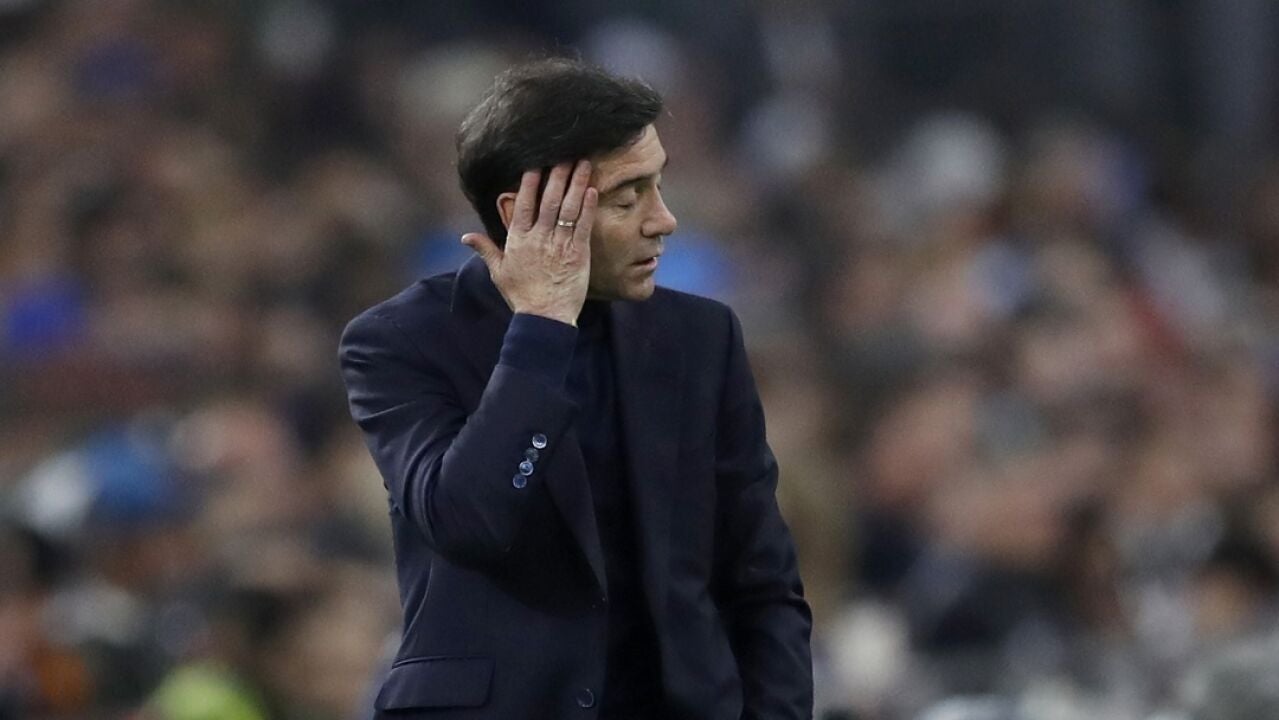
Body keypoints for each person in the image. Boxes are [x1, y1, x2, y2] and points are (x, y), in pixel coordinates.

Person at [339, 57, 812, 719]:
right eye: (627, 199)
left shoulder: (701, 339)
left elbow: (761, 583)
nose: (664, 220)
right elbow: (469, 521)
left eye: (658, 186)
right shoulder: (398, 341)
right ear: (524, 214)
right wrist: (541, 326)